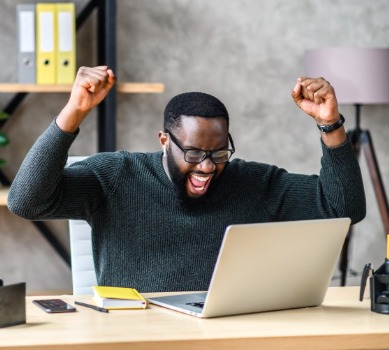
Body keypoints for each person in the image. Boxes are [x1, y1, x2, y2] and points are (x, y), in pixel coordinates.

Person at [8, 66, 366, 292]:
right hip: (134, 337)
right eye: (193, 153)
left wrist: (330, 125)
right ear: (165, 141)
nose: (207, 167)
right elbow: (25, 201)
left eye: (219, 153)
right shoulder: (115, 176)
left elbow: (344, 207)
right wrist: (74, 113)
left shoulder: (254, 182)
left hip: (226, 334)